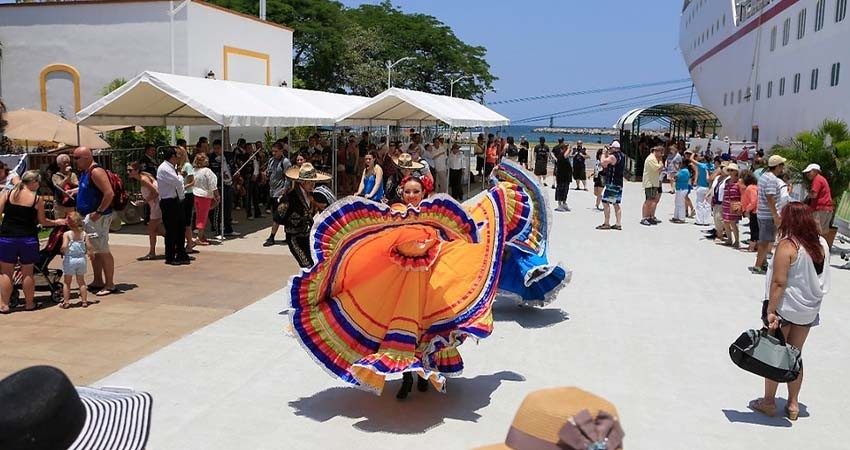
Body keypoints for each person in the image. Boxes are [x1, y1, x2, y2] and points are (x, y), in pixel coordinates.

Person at [287, 159, 568, 401]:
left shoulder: (437, 215)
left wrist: (496, 199)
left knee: (424, 330)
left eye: (416, 191)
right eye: (408, 191)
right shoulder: (395, 213)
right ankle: (407, 378)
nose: (411, 195)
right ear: (402, 192)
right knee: (400, 330)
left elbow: (464, 229)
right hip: (401, 283)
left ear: (424, 192)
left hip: (428, 282)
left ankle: (422, 376)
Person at [749, 202, 831, 421]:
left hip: (786, 309)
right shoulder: (821, 243)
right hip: (807, 310)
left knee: (775, 353)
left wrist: (770, 311)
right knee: (795, 354)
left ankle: (769, 402)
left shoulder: (789, 245)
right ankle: (793, 404)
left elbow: (778, 282)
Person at [0, 171, 66, 313]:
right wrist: (57, 222)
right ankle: (29, 304)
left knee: (6, 273)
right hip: (28, 238)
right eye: (38, 182)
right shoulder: (36, 199)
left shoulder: (7, 194)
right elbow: (43, 221)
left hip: (7, 237)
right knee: (28, 272)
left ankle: (4, 305)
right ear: (33, 182)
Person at [73, 147, 116, 296]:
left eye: (77, 158)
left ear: (86, 157)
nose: (74, 161)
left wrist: (99, 211)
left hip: (98, 218)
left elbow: (109, 193)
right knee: (94, 250)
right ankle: (98, 280)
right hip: (89, 217)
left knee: (103, 250)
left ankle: (109, 284)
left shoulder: (96, 171)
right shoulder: (86, 172)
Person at [279, 163, 330, 268]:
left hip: (308, 236)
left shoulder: (313, 195)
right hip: (295, 237)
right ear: (303, 182)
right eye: (310, 182)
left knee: (316, 264)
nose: (313, 185)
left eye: (313, 182)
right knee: (307, 265)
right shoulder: (291, 196)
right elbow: (279, 216)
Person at [751, 155, 787, 274]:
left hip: (762, 213)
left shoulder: (764, 176)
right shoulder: (772, 179)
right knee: (765, 242)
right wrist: (775, 215)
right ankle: (757, 266)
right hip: (768, 215)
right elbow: (770, 197)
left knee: (764, 240)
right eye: (781, 165)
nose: (782, 168)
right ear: (777, 166)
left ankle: (763, 262)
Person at [157, 147, 190, 266]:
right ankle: (170, 256)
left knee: (180, 228)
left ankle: (181, 252)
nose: (179, 157)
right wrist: (180, 175)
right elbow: (178, 182)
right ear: (172, 157)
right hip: (168, 202)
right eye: (178, 155)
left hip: (176, 200)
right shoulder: (164, 168)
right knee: (171, 230)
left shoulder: (172, 167)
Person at [128, 162, 163, 260]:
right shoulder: (144, 178)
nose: (128, 172)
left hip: (156, 205)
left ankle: (152, 253)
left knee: (151, 229)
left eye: (130, 170)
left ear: (137, 170)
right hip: (155, 205)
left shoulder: (144, 179)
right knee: (157, 229)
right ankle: (176, 243)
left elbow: (155, 192)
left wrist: (144, 201)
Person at [60, 212, 93, 309]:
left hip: (70, 259)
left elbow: (64, 246)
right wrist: (91, 253)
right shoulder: (84, 234)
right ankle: (84, 301)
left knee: (67, 282)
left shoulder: (67, 234)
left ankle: (66, 302)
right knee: (81, 281)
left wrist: (62, 250)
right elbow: (89, 246)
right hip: (81, 259)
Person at [263, 142, 291, 247]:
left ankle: (272, 237)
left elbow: (288, 178)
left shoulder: (285, 162)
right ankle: (288, 236)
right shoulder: (271, 161)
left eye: (276, 151)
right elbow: (269, 173)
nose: (274, 153)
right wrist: (265, 174)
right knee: (280, 215)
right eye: (273, 151)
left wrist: (284, 191)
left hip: (281, 193)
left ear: (281, 151)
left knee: (277, 216)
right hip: (272, 192)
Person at [209, 139, 237, 237]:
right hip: (217, 185)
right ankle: (217, 230)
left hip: (228, 184)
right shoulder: (211, 157)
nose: (216, 150)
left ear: (222, 148)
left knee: (228, 207)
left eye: (218, 148)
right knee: (218, 209)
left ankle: (228, 229)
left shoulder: (228, 155)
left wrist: (234, 174)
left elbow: (233, 167)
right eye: (215, 148)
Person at [597, 141, 625, 230]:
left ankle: (606, 223)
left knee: (605, 202)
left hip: (612, 183)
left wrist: (603, 153)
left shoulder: (613, 157)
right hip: (619, 182)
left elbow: (603, 163)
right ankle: (618, 223)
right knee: (616, 203)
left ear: (614, 148)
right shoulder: (622, 155)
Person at [192, 153, 219, 246]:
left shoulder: (194, 170)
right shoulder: (207, 171)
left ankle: (201, 235)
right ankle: (199, 237)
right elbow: (212, 185)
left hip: (195, 194)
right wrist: (217, 195)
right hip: (204, 195)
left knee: (199, 215)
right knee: (203, 216)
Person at [803, 163, 834, 238]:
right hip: (827, 209)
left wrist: (807, 197)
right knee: (822, 233)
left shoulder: (817, 179)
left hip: (820, 209)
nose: (807, 174)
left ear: (815, 171)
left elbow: (814, 195)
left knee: (815, 232)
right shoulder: (822, 179)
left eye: (809, 172)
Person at [176, 147, 196, 254]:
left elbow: (192, 181)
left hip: (187, 195)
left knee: (186, 221)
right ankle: (183, 242)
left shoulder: (187, 166)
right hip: (179, 195)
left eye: (178, 154)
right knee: (180, 221)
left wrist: (183, 187)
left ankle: (189, 244)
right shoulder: (177, 166)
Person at [720, 163, 743, 247]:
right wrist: (723, 203)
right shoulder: (727, 181)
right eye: (728, 170)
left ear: (736, 171)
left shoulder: (739, 182)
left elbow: (742, 193)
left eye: (732, 170)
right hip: (726, 203)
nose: (730, 172)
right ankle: (729, 239)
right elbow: (725, 193)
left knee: (733, 223)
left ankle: (737, 241)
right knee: (726, 222)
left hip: (735, 204)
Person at [51, 154, 79, 219]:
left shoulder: (73, 175)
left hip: (71, 204)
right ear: (59, 165)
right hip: (60, 205)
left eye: (68, 162)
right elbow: (59, 186)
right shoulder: (55, 176)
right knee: (60, 223)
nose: (67, 164)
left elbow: (77, 185)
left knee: (72, 222)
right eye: (64, 163)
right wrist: (67, 178)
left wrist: (70, 181)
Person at [641, 146, 664, 226]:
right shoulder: (651, 159)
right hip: (650, 183)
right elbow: (658, 168)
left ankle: (649, 216)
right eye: (661, 153)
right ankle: (644, 217)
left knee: (651, 200)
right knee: (648, 200)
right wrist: (660, 162)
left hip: (653, 182)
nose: (661, 155)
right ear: (656, 151)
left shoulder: (654, 159)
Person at [741, 170, 759, 252]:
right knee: (756, 229)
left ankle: (751, 247)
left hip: (755, 211)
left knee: (754, 229)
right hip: (756, 211)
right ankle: (756, 246)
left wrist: (747, 210)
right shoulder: (753, 187)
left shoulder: (750, 188)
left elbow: (754, 201)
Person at [694, 152, 714, 226]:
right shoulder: (713, 166)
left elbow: (691, 159)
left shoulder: (702, 165)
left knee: (699, 203)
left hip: (701, 186)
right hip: (709, 187)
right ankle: (706, 221)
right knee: (708, 204)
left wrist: (695, 152)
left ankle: (699, 221)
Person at [553, 142, 572, 212]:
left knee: (565, 191)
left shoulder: (565, 155)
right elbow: (565, 155)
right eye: (565, 148)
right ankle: (559, 205)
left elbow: (568, 154)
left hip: (566, 177)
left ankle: (564, 203)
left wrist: (569, 149)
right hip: (561, 177)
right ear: (561, 149)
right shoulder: (561, 155)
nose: (566, 149)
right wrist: (569, 148)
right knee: (560, 190)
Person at [671, 159, 691, 223]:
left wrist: (673, 177)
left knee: (681, 203)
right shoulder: (685, 170)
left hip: (681, 189)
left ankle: (682, 218)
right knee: (677, 203)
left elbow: (676, 177)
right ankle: (676, 217)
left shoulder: (683, 171)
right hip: (681, 188)